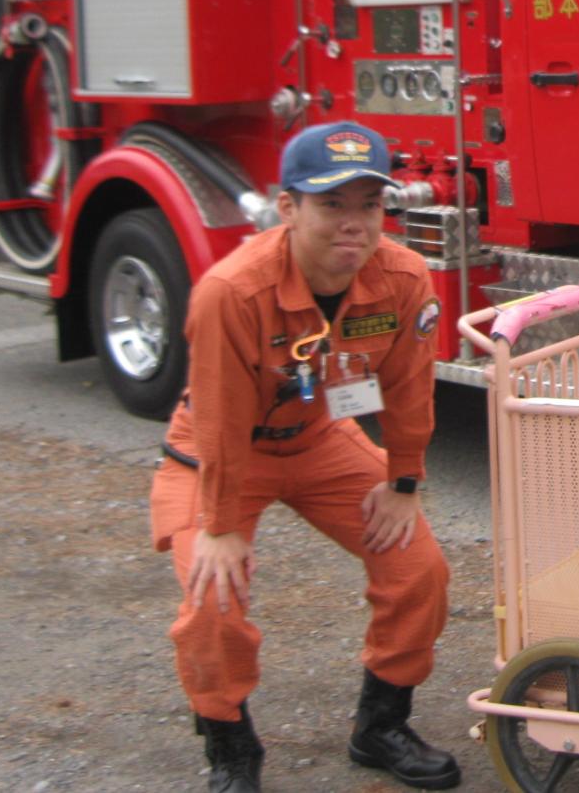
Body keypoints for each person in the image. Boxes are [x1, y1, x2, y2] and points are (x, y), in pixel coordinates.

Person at [149, 121, 459, 793]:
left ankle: (380, 726)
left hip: (320, 438)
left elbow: (408, 388)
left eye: (370, 206)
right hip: (216, 456)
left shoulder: (403, 278)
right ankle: (231, 750)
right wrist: (223, 526)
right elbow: (224, 422)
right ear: (287, 208)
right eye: (332, 205)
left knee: (419, 569)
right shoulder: (231, 292)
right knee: (212, 602)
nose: (355, 224)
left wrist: (404, 481)